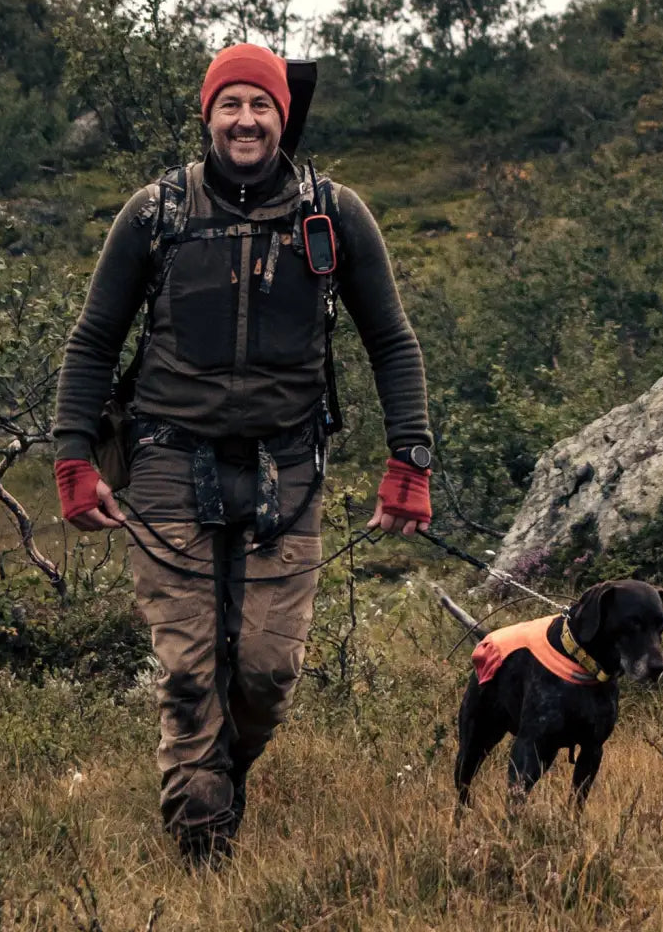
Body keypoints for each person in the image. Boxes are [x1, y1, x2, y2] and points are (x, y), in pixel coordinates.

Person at [52, 43, 433, 864]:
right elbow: (92, 344)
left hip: (286, 469)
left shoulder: (333, 216)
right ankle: (203, 851)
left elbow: (392, 343)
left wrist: (410, 461)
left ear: (282, 116)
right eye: (231, 105)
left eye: (260, 105)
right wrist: (74, 459)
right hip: (163, 462)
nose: (246, 120)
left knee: (264, 672)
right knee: (190, 674)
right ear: (208, 115)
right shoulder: (154, 214)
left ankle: (216, 775)